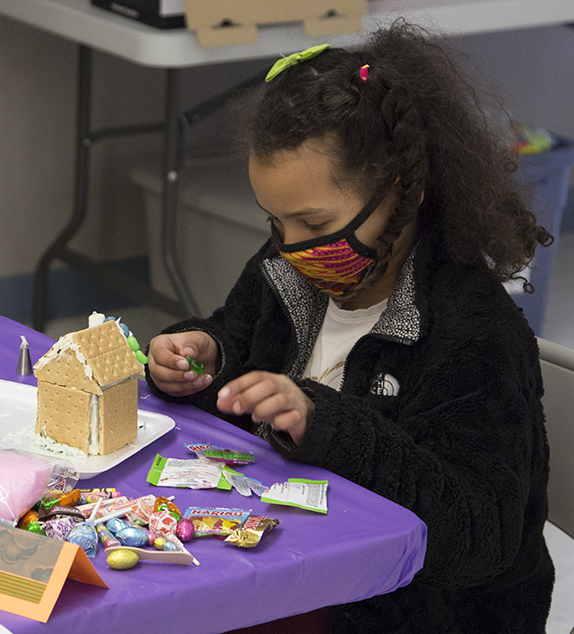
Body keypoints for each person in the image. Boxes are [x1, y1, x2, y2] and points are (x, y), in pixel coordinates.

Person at [146, 21, 554, 634]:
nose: (291, 249)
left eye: (313, 222)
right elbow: (237, 336)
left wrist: (320, 422)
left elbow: (476, 536)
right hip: (292, 563)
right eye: (275, 222)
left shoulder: (473, 333)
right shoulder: (289, 267)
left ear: (403, 192)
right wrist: (202, 357)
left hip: (415, 612)